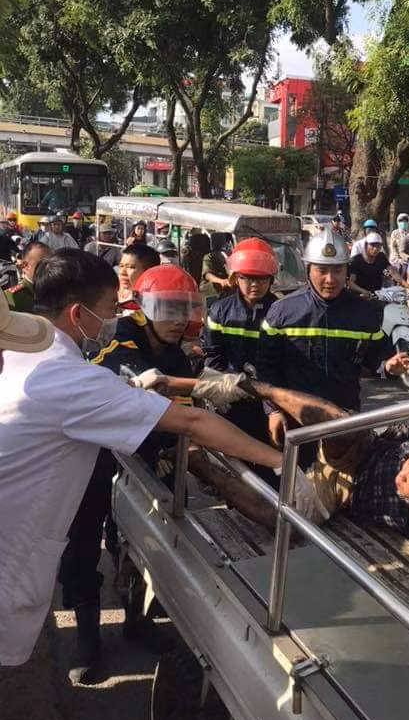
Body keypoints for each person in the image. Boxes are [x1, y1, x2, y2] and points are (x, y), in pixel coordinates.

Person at [0, 249, 300, 670]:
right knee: (82, 551)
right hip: (79, 478)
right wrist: (281, 463)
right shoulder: (85, 368)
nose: (112, 317)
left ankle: (133, 622)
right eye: (108, 309)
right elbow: (191, 420)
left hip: (90, 461)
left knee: (124, 549)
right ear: (77, 313)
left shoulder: (23, 353)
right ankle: (88, 640)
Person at [245, 387, 409, 552]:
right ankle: (262, 390)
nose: (399, 477)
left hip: (346, 493)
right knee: (343, 424)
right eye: (405, 467)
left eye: (408, 482)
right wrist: (399, 434)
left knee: (286, 522)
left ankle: (209, 470)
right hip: (365, 449)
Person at [257, 226, 409, 450]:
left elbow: (376, 358)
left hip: (345, 419)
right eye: (322, 270)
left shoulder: (364, 312)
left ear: (346, 271)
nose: (330, 279)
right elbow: (266, 368)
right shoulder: (282, 312)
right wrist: (272, 410)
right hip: (296, 420)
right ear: (308, 269)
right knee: (297, 481)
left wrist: (389, 366)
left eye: (337, 270)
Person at [202, 238, 279, 449]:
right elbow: (212, 356)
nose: (255, 285)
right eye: (248, 278)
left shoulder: (281, 312)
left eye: (261, 278)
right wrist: (226, 389)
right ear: (236, 277)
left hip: (270, 402)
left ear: (271, 279)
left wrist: (272, 405)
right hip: (231, 398)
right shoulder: (220, 310)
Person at [348, 232, 407, 297]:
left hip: (378, 295)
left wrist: (406, 285)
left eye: (378, 246)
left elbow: (393, 272)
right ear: (366, 245)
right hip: (360, 296)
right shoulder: (357, 260)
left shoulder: (381, 257)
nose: (375, 249)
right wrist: (363, 291)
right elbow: (351, 283)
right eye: (372, 245)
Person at [4, 240, 51, 313]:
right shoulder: (12, 298)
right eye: (43, 264)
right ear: (25, 265)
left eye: (51, 263)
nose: (49, 267)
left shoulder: (56, 288)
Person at [200, 232, 232, 298]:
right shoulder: (209, 256)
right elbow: (207, 275)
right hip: (211, 292)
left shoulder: (228, 256)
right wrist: (221, 281)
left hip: (226, 292)